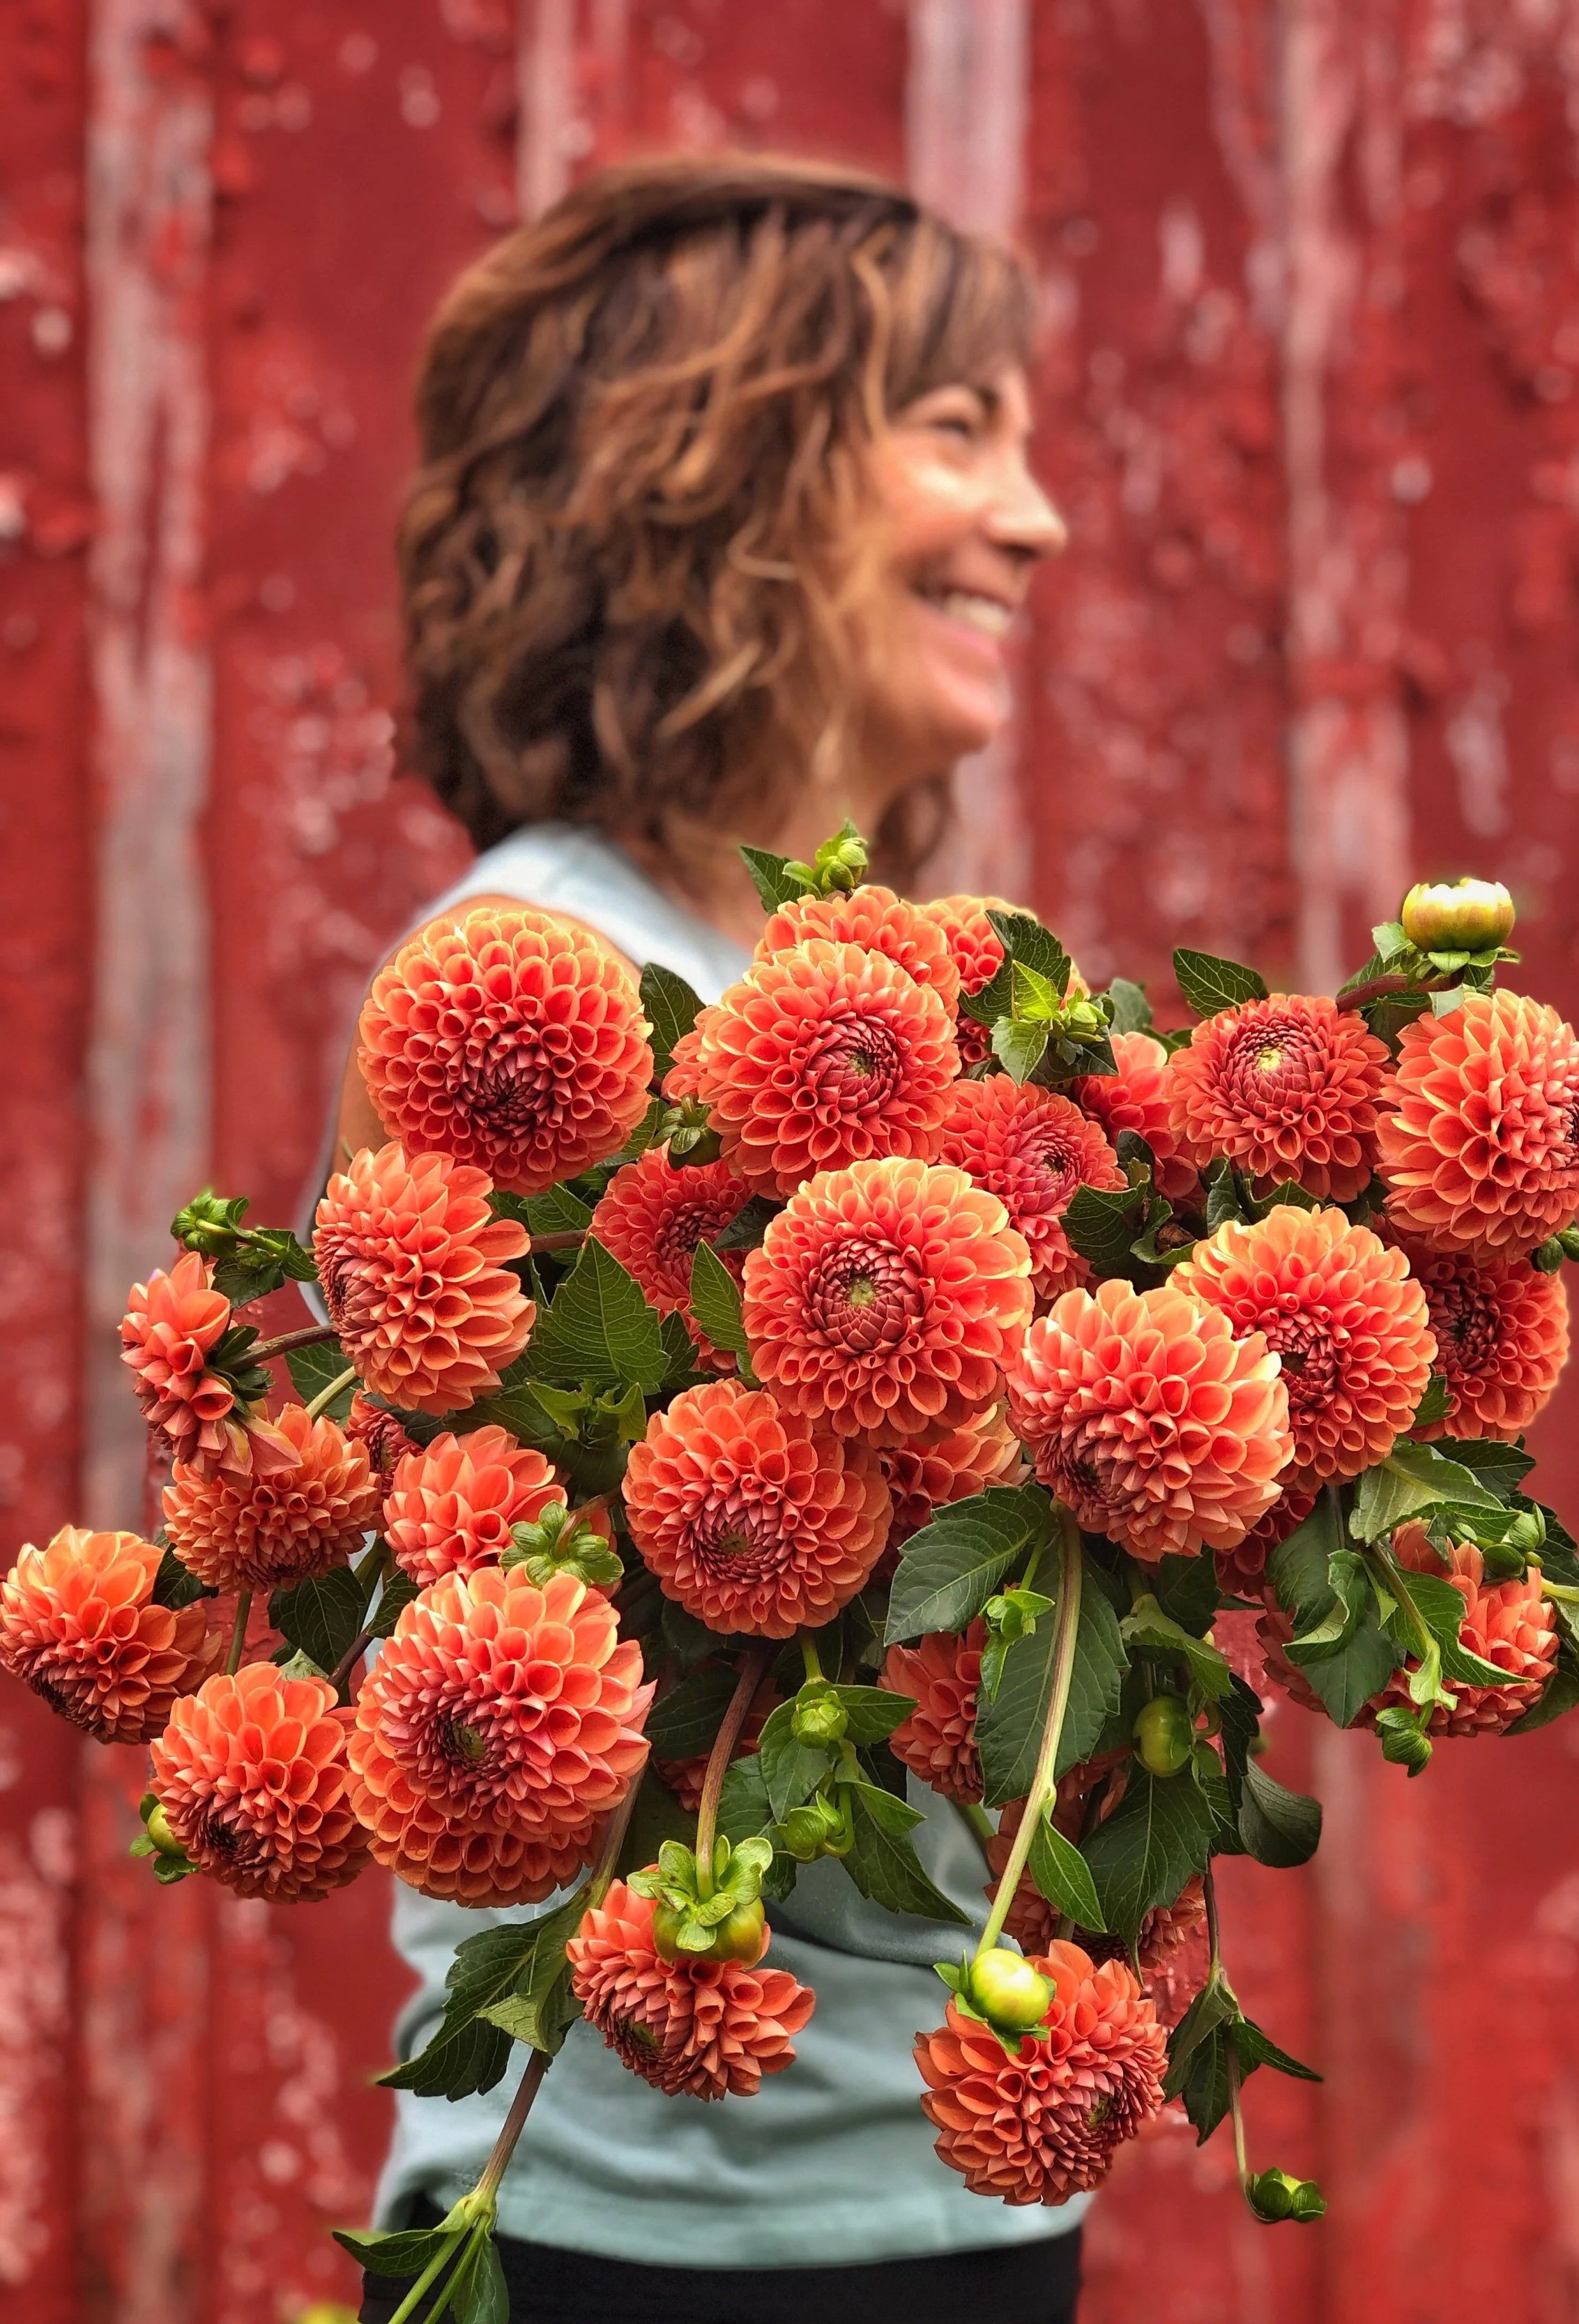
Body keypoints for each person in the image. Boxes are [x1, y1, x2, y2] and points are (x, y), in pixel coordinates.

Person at [339, 154, 1074, 2324]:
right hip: (639, 2237)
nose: (1034, 518)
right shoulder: (533, 988)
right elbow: (541, 1621)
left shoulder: (887, 989)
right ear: (727, 466)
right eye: (956, 431)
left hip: (963, 2181)